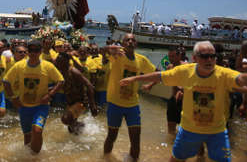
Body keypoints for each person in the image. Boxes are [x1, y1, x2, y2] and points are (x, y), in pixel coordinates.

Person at [119, 40, 247, 162]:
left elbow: (242, 78)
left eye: (212, 56)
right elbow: (159, 76)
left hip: (217, 132)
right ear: (194, 58)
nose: (210, 60)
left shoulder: (223, 73)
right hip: (189, 130)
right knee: (176, 159)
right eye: (204, 56)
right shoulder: (184, 71)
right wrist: (134, 78)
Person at [3, 40, 64, 153]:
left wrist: (50, 95)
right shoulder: (19, 66)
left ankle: (36, 157)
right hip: (24, 107)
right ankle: (29, 157)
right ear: (27, 52)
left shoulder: (47, 66)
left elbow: (60, 81)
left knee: (37, 130)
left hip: (41, 106)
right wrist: (13, 98)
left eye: (36, 50)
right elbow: (6, 81)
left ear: (40, 52)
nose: (33, 53)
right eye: (31, 50)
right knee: (27, 136)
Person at [104, 33, 156, 161]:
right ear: (123, 44)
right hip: (115, 103)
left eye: (133, 40)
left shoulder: (141, 60)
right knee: (112, 136)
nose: (130, 42)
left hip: (133, 105)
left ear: (136, 44)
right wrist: (111, 48)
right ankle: (105, 158)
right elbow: (102, 51)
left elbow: (156, 73)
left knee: (135, 139)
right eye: (127, 40)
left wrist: (150, 84)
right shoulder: (116, 56)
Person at [54, 52, 98, 134]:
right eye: (57, 60)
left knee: (66, 119)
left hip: (80, 101)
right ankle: (79, 138)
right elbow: (61, 85)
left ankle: (83, 126)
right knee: (71, 128)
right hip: (70, 102)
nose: (57, 62)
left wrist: (92, 104)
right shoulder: (61, 72)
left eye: (59, 61)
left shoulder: (73, 71)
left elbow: (89, 85)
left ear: (66, 61)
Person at [165, 46, 187, 135]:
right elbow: (162, 77)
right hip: (173, 100)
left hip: (184, 102)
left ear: (179, 56)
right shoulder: (170, 67)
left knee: (186, 130)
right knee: (171, 130)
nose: (170, 59)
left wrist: (181, 89)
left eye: (173, 56)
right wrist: (150, 85)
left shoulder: (186, 67)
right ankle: (170, 145)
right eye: (169, 56)